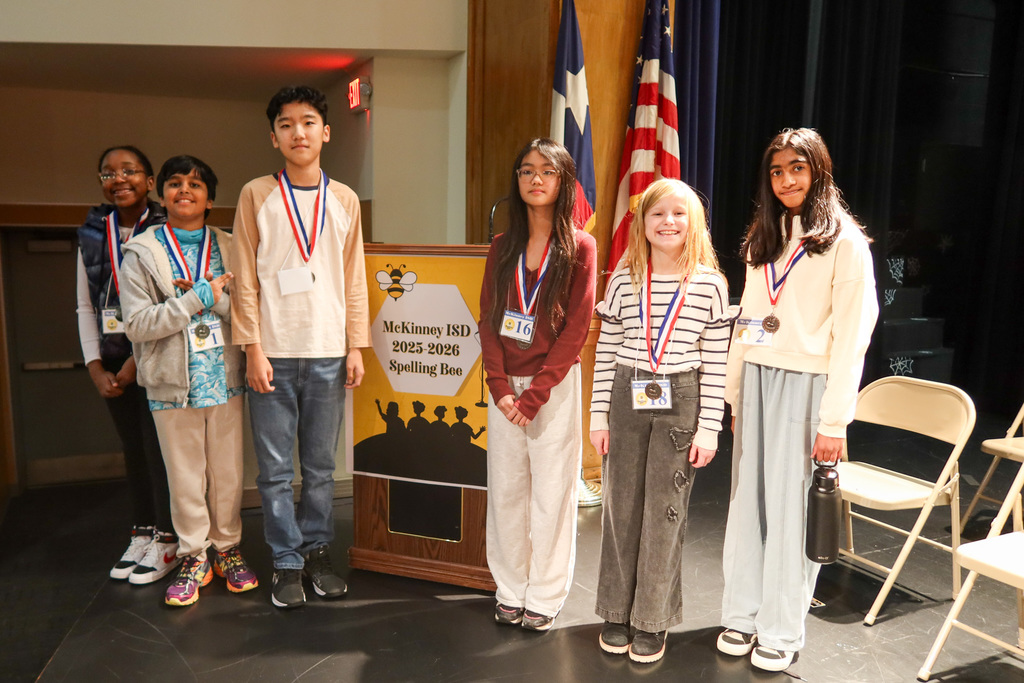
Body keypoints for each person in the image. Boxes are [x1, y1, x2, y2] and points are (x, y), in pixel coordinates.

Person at [717, 128, 878, 672]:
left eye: (798, 169)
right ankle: (741, 614)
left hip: (807, 389)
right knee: (747, 508)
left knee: (791, 513)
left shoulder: (845, 242)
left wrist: (834, 420)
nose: (787, 180)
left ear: (819, 172)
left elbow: (854, 336)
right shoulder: (764, 237)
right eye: (777, 171)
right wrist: (734, 395)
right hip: (758, 381)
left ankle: (782, 629)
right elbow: (747, 322)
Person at [231, 85, 370, 609]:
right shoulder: (256, 194)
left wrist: (356, 345)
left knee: (319, 467)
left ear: (326, 131)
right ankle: (285, 562)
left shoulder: (345, 199)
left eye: (308, 122)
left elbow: (354, 277)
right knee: (274, 470)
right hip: (274, 350)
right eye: (287, 124)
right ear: (274, 137)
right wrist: (252, 348)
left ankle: (316, 553)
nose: (299, 133)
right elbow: (245, 276)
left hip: (329, 350)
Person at [589, 178, 733, 663]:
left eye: (678, 213)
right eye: (657, 214)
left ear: (694, 223)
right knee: (620, 506)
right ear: (642, 223)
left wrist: (709, 426)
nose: (668, 222)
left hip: (682, 395)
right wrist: (598, 417)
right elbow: (606, 352)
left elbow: (715, 363)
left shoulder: (710, 283)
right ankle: (615, 608)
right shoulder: (624, 277)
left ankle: (651, 618)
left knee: (664, 511)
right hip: (627, 393)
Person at [121, 155, 256, 607]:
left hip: (226, 376)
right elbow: (137, 325)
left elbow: (249, 312)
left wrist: (211, 301)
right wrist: (197, 297)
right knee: (184, 478)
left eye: (196, 184)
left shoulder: (234, 245)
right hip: (170, 383)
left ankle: (227, 549)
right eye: (175, 183)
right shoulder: (142, 252)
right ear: (162, 194)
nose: (185, 190)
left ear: (210, 198)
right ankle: (193, 556)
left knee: (227, 474)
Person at [478, 138, 597, 632]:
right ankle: (510, 587)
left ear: (564, 181)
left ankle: (545, 595)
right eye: (526, 171)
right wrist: (500, 385)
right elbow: (487, 318)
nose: (535, 179)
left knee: (552, 493)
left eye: (547, 171)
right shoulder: (502, 246)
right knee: (505, 492)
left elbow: (576, 329)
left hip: (552, 388)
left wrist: (534, 394)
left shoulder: (580, 246)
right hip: (505, 392)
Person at [76, 145, 178, 584]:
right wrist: (95, 366)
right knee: (133, 449)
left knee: (161, 451)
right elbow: (83, 305)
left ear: (149, 182)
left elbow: (171, 300)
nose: (118, 179)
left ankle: (169, 539)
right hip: (112, 358)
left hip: (155, 355)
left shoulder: (165, 227)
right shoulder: (92, 231)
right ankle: (143, 531)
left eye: (130, 171)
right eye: (108, 173)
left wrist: (137, 360)